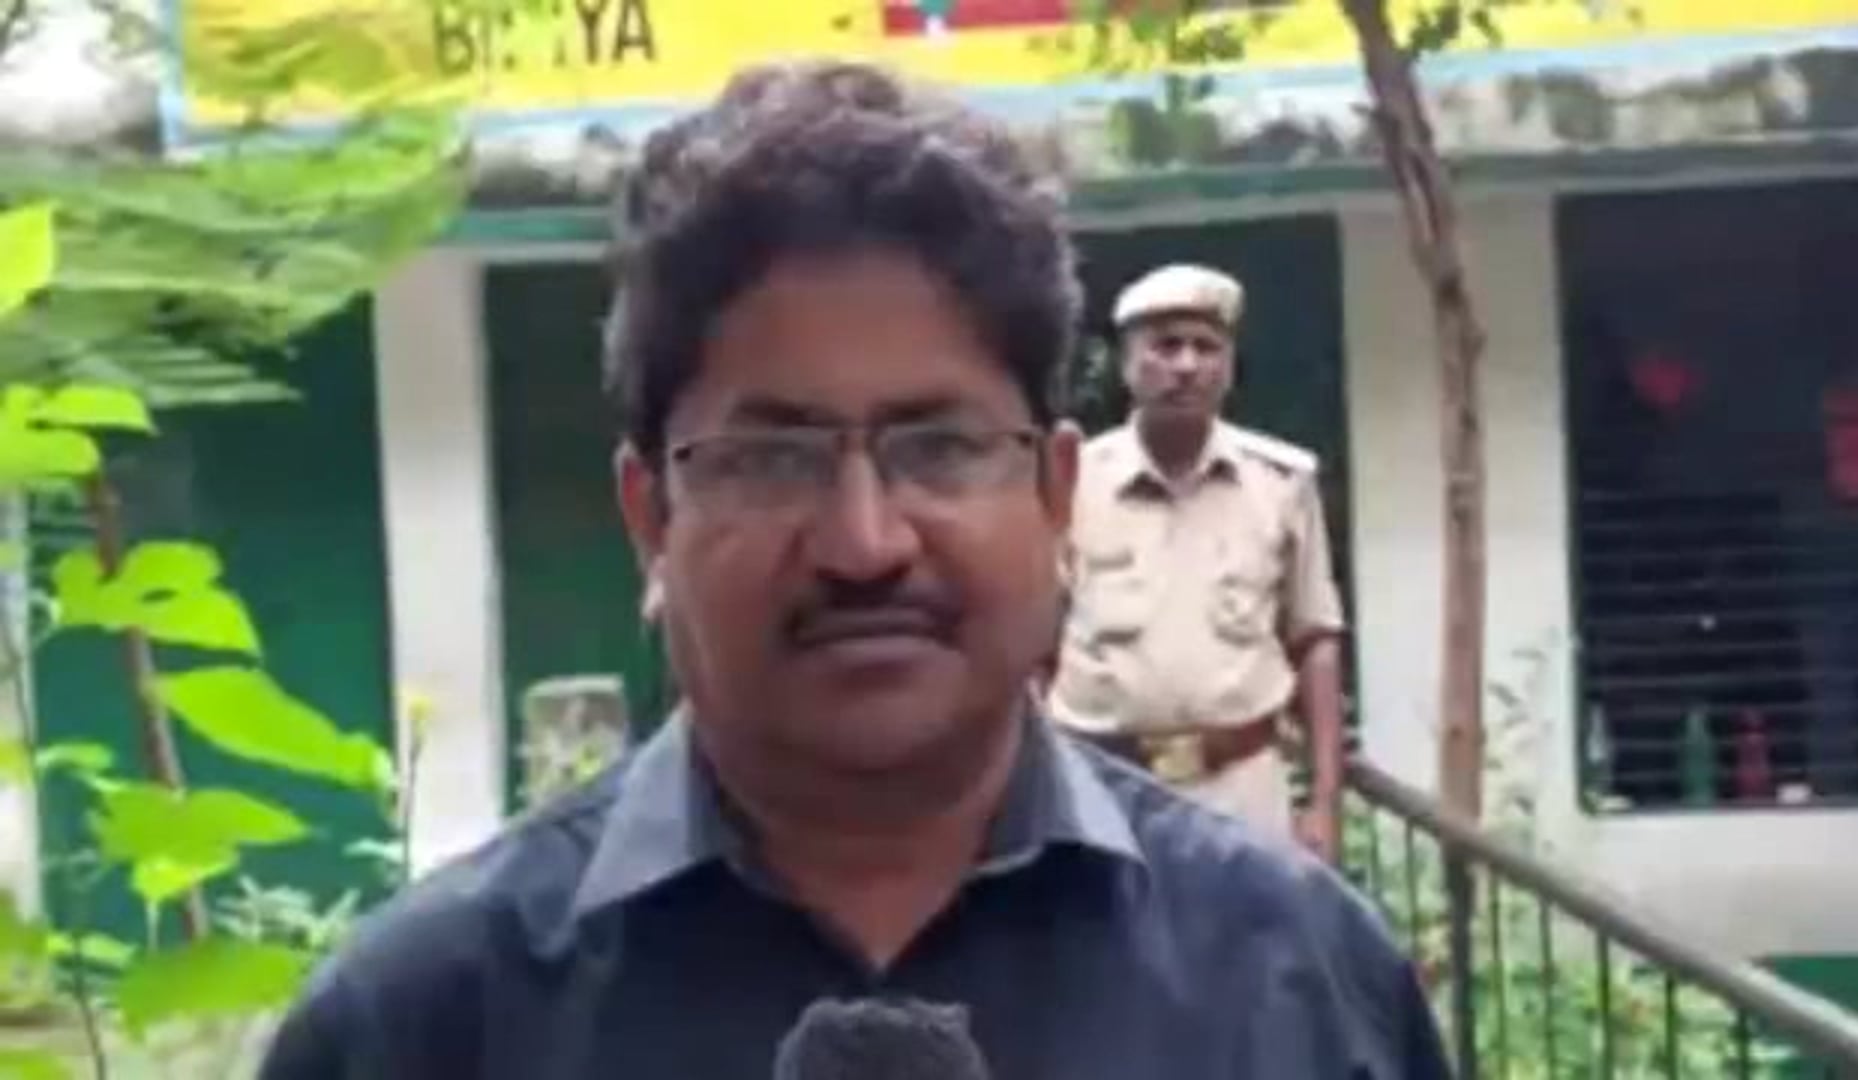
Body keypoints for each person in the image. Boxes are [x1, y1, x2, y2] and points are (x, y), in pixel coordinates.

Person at [258, 60, 1447, 1079]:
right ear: (650, 516)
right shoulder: (420, 1026)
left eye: (940, 447)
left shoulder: (1302, 988)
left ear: (1053, 495)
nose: (865, 543)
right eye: (772, 457)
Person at [1048, 265, 1350, 859]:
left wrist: (1324, 801)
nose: (1187, 365)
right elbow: (1030, 646)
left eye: (1206, 347)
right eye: (1165, 346)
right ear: (1126, 363)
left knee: (1245, 924)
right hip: (1102, 788)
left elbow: (1316, 639)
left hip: (1241, 788)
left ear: (1229, 365)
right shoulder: (1073, 484)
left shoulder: (1281, 485)